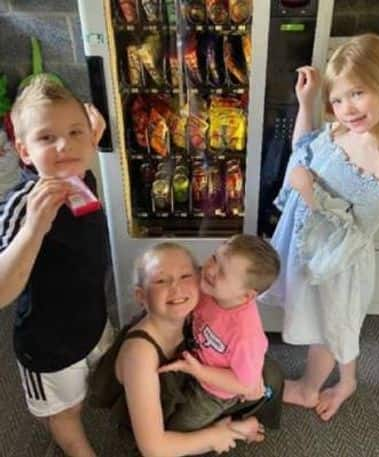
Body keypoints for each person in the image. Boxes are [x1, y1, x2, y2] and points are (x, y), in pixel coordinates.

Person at [259, 33, 379, 421]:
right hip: (307, 242)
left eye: (357, 93)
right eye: (338, 99)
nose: (346, 108)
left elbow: (355, 231)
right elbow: (303, 150)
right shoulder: (340, 130)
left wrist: (309, 193)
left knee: (330, 327)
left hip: (335, 260)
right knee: (336, 323)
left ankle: (312, 388)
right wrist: (307, 104)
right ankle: (347, 380)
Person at [0, 75, 111, 457]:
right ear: (24, 151)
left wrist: (87, 130)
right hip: (46, 344)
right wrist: (34, 229)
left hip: (91, 317)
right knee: (67, 412)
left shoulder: (82, 173)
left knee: (98, 372)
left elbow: (79, 139)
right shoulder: (23, 203)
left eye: (75, 133)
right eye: (46, 138)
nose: (64, 145)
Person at [90, 242, 264, 456]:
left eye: (185, 276)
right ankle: (232, 427)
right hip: (153, 430)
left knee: (267, 376)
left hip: (187, 388)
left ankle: (232, 422)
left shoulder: (198, 305)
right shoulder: (141, 355)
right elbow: (153, 448)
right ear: (141, 296)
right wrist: (217, 437)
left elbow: (242, 315)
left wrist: (252, 378)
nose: (177, 288)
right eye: (161, 280)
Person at [158, 234, 280, 432]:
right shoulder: (209, 286)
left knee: (177, 430)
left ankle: (238, 429)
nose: (211, 269)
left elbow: (245, 385)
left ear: (246, 295)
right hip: (196, 358)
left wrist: (199, 371)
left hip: (215, 392)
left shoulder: (246, 336)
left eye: (223, 273)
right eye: (215, 257)